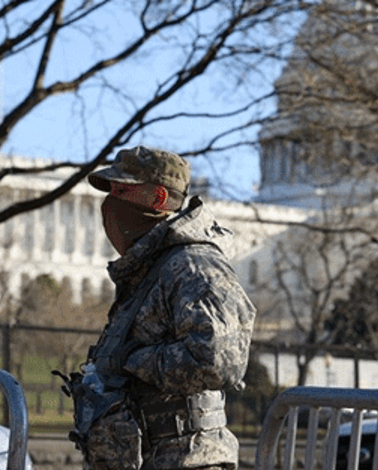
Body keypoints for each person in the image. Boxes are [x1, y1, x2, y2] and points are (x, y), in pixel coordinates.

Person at [56, 146, 256, 470]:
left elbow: (219, 360)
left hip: (188, 460)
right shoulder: (149, 269)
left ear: (158, 199)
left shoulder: (194, 265)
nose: (111, 202)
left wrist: (134, 360)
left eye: (122, 190)